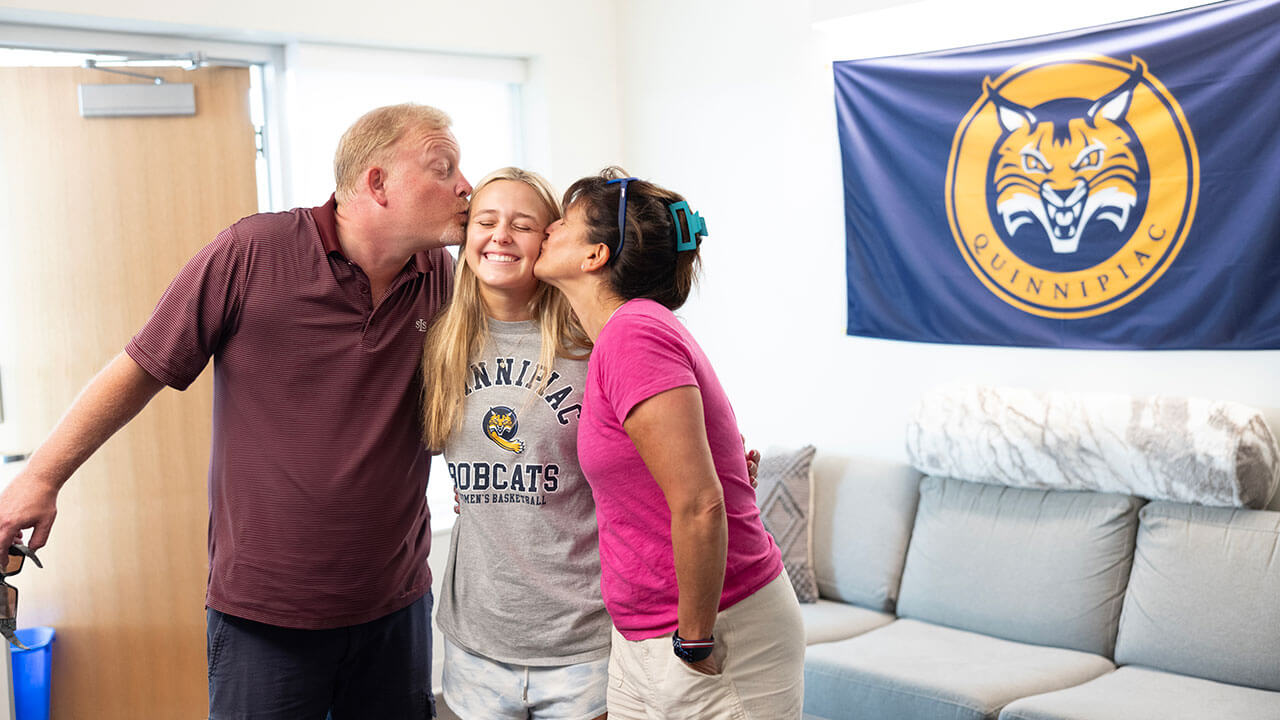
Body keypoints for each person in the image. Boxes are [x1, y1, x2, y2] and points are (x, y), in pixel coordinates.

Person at [0, 103, 471, 719]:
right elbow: (143, 365)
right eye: (444, 169)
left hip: (395, 604)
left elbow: (470, 388)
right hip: (265, 616)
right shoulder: (253, 252)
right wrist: (40, 477)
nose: (466, 186)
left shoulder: (442, 275)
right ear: (377, 183)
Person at [533, 168, 805, 719]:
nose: (547, 229)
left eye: (562, 222)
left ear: (595, 256)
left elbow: (701, 504)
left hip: (713, 634)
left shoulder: (635, 332)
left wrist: (695, 638)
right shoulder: (622, 335)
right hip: (641, 639)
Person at [421, 167, 609, 720]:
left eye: (522, 225)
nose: (500, 235)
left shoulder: (591, 345)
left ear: (548, 242)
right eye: (486, 220)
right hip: (477, 640)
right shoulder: (438, 344)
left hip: (582, 642)